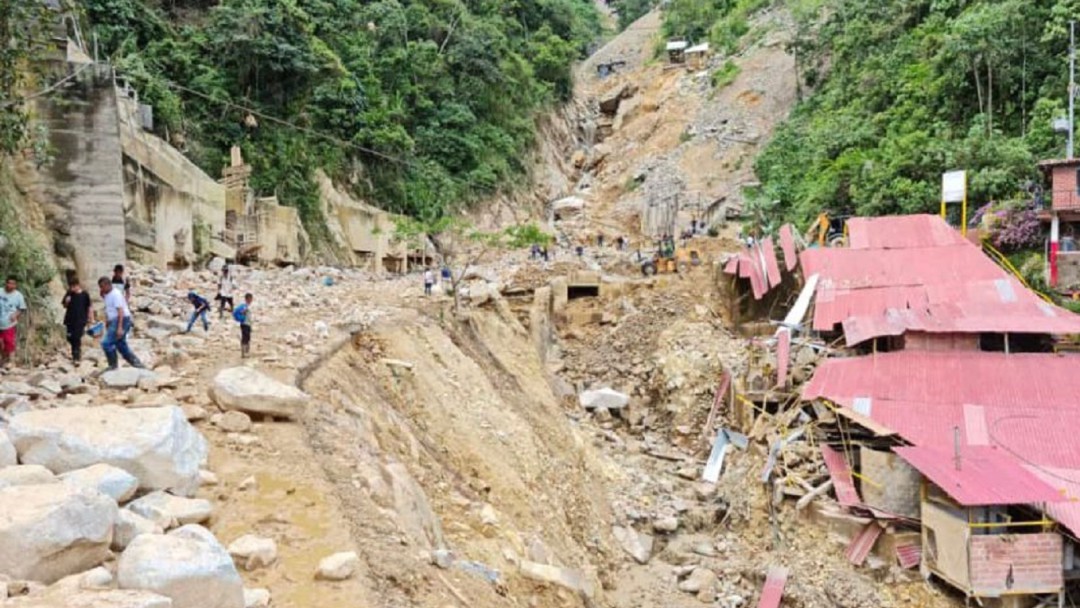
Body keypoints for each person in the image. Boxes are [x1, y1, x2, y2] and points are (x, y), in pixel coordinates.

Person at [98, 277, 142, 371]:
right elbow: (109, 308)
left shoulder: (116, 294)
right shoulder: (107, 294)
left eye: (102, 287)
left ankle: (113, 365)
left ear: (107, 285)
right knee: (120, 344)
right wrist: (108, 321)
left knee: (106, 343)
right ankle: (136, 363)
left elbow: (120, 311)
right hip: (114, 319)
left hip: (121, 319)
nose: (101, 289)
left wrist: (119, 328)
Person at [61, 278, 93, 364]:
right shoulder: (69, 294)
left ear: (78, 285)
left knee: (77, 338)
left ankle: (76, 357)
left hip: (81, 320)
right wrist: (67, 302)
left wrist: (90, 318)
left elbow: (89, 306)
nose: (72, 289)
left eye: (73, 287)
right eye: (71, 287)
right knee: (70, 337)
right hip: (70, 319)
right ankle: (75, 353)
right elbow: (64, 305)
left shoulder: (85, 294)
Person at [0, 277, 26, 370]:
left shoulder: (18, 295)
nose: (11, 285)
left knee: (9, 342)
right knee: (1, 342)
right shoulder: (0, 291)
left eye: (13, 284)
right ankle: (3, 359)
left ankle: (11, 361)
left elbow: (22, 308)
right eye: (9, 283)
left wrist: (15, 314)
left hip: (9, 323)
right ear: (6, 283)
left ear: (16, 285)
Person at [234, 293, 254, 358]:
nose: (251, 300)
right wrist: (243, 314)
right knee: (245, 338)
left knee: (247, 337)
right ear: (247, 299)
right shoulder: (244, 306)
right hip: (245, 324)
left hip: (247, 324)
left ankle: (246, 352)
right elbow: (240, 312)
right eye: (250, 299)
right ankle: (244, 353)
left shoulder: (247, 306)